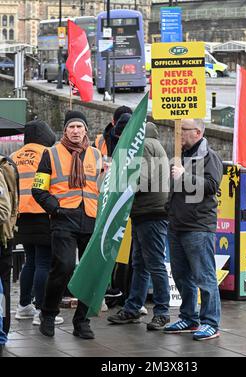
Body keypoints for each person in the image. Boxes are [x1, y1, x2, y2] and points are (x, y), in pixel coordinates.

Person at [32, 110, 102, 339]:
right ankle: (48, 314)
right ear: (64, 131)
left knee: (90, 272)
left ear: (85, 130)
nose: (75, 131)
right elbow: (38, 189)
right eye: (71, 127)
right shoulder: (50, 154)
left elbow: (102, 186)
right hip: (64, 219)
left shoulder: (95, 155)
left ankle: (82, 321)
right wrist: (55, 209)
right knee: (63, 267)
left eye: (79, 127)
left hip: (90, 218)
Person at [164, 118, 223, 341]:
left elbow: (211, 186)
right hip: (177, 224)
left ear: (197, 132)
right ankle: (189, 317)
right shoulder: (181, 156)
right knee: (181, 275)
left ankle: (210, 322)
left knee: (204, 276)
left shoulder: (210, 157)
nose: (178, 135)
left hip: (198, 226)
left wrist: (184, 176)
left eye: (183, 131)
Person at [107, 121, 170, 330]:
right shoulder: (155, 144)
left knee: (152, 264)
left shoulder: (144, 146)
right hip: (150, 212)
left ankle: (161, 311)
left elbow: (141, 180)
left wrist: (117, 182)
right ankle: (133, 306)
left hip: (150, 213)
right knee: (142, 264)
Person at [11, 120, 63, 326]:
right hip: (43, 213)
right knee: (44, 262)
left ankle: (24, 306)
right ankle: (42, 309)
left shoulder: (15, 156)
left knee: (30, 261)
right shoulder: (48, 154)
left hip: (21, 215)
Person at [0, 154, 19, 357]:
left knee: (2, 289)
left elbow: (3, 210)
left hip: (3, 238)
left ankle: (2, 331)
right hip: (8, 234)